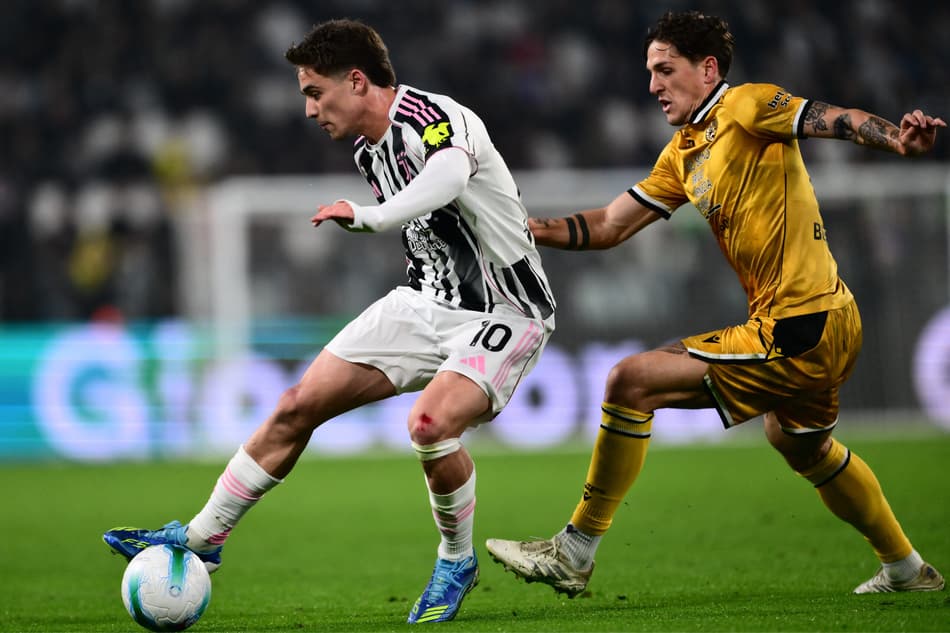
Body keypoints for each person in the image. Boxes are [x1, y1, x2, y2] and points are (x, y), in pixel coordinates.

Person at [103, 18, 556, 624]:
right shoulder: (369, 149)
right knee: (296, 404)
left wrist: (370, 218)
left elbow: (449, 176)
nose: (310, 109)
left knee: (429, 425)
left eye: (316, 92)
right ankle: (204, 538)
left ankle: (456, 559)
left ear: (359, 81)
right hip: (428, 302)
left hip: (507, 310)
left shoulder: (437, 116)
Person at [485, 10, 945, 597]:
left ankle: (573, 551)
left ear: (707, 70)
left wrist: (895, 138)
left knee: (630, 381)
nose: (653, 85)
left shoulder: (747, 105)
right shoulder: (682, 153)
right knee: (800, 443)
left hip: (801, 324)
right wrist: (520, 229)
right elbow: (607, 225)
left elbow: (837, 119)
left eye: (664, 70)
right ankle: (906, 569)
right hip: (820, 319)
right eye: (650, 72)